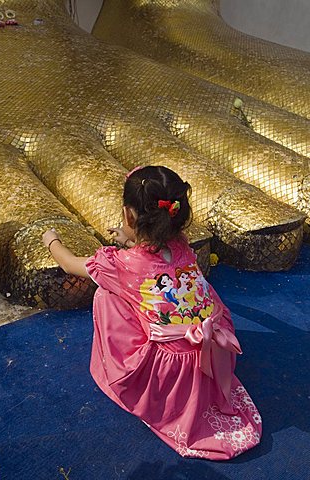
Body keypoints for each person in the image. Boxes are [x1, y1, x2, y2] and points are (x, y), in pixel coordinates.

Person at [43, 165, 262, 460]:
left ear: (128, 215)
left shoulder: (117, 264)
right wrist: (131, 239)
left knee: (106, 294)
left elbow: (70, 264)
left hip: (171, 373)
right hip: (216, 348)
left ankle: (127, 377)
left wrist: (51, 240)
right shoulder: (184, 246)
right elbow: (157, 257)